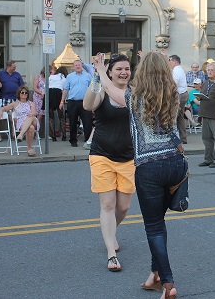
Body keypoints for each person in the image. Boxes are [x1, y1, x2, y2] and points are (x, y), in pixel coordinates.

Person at [94, 51, 184, 299]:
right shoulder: (174, 93)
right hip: (176, 164)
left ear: (141, 72)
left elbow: (110, 91)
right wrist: (162, 62)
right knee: (160, 223)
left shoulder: (135, 97)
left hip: (150, 167)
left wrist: (102, 69)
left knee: (154, 227)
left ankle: (167, 284)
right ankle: (155, 274)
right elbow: (165, 77)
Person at [83, 54, 134, 272]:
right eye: (119, 69)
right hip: (101, 154)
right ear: (110, 72)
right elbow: (87, 105)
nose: (124, 72)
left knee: (123, 207)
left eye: (127, 69)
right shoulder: (102, 90)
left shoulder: (134, 93)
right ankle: (111, 254)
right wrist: (97, 76)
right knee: (108, 204)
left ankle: (110, 231)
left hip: (128, 157)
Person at [0, 86, 39, 157]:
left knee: (30, 117)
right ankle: (29, 149)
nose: (24, 94)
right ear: (19, 94)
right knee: (30, 128)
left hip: (32, 119)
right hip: (22, 122)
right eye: (22, 92)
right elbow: (4, 108)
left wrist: (31, 114)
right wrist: (0, 111)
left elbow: (34, 113)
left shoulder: (31, 103)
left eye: (26, 93)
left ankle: (20, 135)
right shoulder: (15, 103)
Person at [59, 59, 93, 147]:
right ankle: (73, 140)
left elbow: (92, 89)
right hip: (72, 102)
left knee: (87, 122)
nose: (78, 66)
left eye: (79, 65)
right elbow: (66, 89)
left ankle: (88, 140)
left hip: (85, 102)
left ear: (82, 66)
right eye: (76, 65)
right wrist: (62, 101)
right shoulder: (70, 77)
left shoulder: (88, 76)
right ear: (73, 67)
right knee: (73, 122)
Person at [169, 55, 188, 144]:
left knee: (174, 116)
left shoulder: (176, 70)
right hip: (183, 94)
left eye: (170, 61)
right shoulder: (180, 69)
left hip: (179, 95)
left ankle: (175, 138)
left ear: (175, 61)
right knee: (180, 117)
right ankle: (183, 138)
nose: (169, 62)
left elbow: (174, 84)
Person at [48, 65, 68, 141]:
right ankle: (64, 135)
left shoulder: (51, 77)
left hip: (50, 94)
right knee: (61, 116)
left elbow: (45, 86)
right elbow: (65, 89)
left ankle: (53, 136)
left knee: (51, 117)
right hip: (58, 94)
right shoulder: (64, 78)